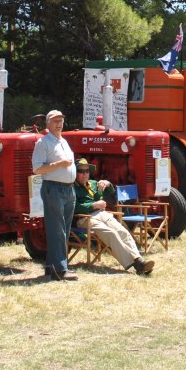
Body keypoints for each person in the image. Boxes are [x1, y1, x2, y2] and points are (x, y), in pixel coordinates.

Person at [73, 159, 155, 275]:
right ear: (75, 173)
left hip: (101, 214)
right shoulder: (72, 188)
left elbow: (110, 193)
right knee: (111, 233)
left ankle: (139, 259)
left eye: (87, 171)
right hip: (84, 217)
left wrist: (107, 183)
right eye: (81, 171)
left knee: (123, 231)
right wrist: (93, 205)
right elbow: (73, 207)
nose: (85, 173)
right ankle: (136, 265)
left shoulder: (92, 184)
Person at [31, 109, 78, 281]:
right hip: (54, 188)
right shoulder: (43, 143)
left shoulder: (64, 141)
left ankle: (52, 266)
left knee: (63, 229)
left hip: (68, 189)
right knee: (56, 230)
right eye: (55, 121)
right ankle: (60, 269)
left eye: (61, 120)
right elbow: (37, 168)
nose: (59, 124)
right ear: (48, 124)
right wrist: (59, 164)